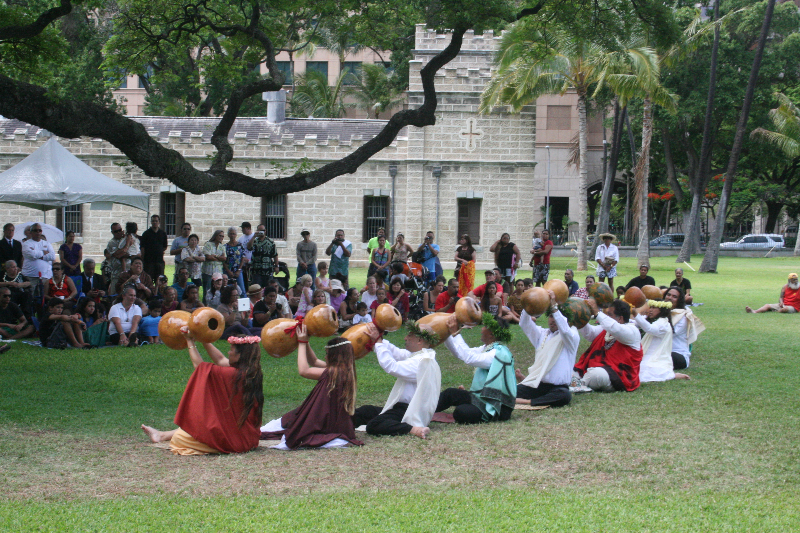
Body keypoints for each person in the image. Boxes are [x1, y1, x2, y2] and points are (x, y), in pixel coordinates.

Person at [141, 331, 263, 455]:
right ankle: (161, 435)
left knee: (180, 438)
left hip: (235, 443)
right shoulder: (252, 372)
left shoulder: (232, 374)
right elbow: (220, 359)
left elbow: (199, 366)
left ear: (240, 355)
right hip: (249, 438)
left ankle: (163, 435)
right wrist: (203, 338)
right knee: (195, 429)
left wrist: (190, 341)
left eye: (231, 350)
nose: (228, 352)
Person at [260, 326, 363, 450]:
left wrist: (301, 343)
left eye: (327, 354)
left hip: (323, 420)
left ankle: (336, 440)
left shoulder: (334, 372)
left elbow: (304, 371)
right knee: (277, 424)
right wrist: (306, 342)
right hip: (331, 419)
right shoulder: (344, 370)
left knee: (276, 431)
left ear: (335, 356)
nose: (325, 357)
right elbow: (314, 361)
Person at [351, 322, 441, 439]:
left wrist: (378, 342)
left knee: (374, 425)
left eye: (410, 335)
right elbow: (396, 352)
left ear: (419, 340)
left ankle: (412, 429)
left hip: (409, 411)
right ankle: (338, 425)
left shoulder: (422, 362)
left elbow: (392, 367)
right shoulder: (419, 355)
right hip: (400, 407)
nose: (405, 338)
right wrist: (378, 338)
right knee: (365, 411)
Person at [437, 313, 516, 424]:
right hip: (482, 398)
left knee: (461, 412)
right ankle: (421, 411)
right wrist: (447, 333)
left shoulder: (498, 353)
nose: (481, 329)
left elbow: (470, 358)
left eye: (484, 326)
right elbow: (460, 353)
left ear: (491, 334)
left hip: (498, 406)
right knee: (450, 393)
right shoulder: (488, 348)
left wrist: (456, 333)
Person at [515, 290, 580, 407]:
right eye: (550, 316)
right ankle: (526, 385)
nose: (553, 319)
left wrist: (554, 308)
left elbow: (565, 330)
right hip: (537, 385)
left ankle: (527, 402)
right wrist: (528, 302)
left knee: (565, 395)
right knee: (509, 391)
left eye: (556, 316)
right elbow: (525, 324)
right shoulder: (542, 334)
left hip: (558, 388)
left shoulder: (571, 337)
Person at [574, 298, 643, 392]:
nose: (606, 317)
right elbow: (590, 334)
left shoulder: (632, 331)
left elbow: (616, 329)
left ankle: (578, 384)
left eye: (609, 314)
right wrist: (580, 317)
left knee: (595, 374)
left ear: (620, 318)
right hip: (599, 369)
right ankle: (577, 382)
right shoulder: (607, 329)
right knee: (571, 372)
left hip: (620, 377)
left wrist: (597, 313)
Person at [634, 300, 690, 382]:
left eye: (654, 308)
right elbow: (635, 322)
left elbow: (650, 329)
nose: (650, 310)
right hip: (646, 355)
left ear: (662, 310)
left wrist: (635, 314)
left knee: (645, 370)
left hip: (656, 357)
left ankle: (672, 375)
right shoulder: (653, 320)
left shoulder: (663, 324)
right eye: (650, 307)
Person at [665, 286, 704, 370]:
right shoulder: (659, 310)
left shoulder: (684, 316)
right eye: (668, 295)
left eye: (674, 296)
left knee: (659, 357)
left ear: (679, 300)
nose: (670, 298)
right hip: (663, 351)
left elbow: (669, 332)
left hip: (678, 354)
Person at [21, 223, 56, 303]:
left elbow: (52, 256)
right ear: (31, 232)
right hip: (30, 276)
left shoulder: (47, 243)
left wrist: (39, 255)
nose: (38, 232)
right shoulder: (26, 244)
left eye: (39, 230)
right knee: (29, 298)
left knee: (44, 299)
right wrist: (43, 252)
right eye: (35, 230)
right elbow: (31, 254)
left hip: (45, 276)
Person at [140, 214, 168, 281]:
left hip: (159, 261)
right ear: (151, 222)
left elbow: (164, 246)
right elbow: (142, 247)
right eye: (153, 221)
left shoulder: (163, 233)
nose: (154, 222)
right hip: (149, 262)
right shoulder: (146, 234)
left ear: (159, 222)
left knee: (160, 280)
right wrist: (142, 259)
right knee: (148, 280)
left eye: (156, 221)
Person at [202, 230, 226, 298]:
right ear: (215, 236)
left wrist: (215, 256)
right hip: (208, 271)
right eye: (220, 235)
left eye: (222, 236)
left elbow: (224, 258)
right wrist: (219, 257)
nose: (221, 237)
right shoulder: (208, 244)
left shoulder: (222, 247)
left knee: (218, 289)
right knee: (207, 290)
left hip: (218, 271)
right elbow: (208, 257)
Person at [224, 226, 247, 295]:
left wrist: (239, 270)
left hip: (238, 270)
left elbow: (243, 258)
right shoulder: (225, 246)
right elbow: (223, 260)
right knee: (227, 290)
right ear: (228, 235)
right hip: (228, 271)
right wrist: (228, 271)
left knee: (242, 290)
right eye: (231, 234)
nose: (232, 235)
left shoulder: (240, 245)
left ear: (236, 235)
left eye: (234, 234)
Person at [237, 222, 255, 287]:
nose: (242, 230)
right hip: (244, 264)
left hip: (253, 264)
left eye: (243, 228)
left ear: (248, 228)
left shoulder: (255, 236)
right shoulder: (240, 239)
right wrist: (243, 258)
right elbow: (238, 251)